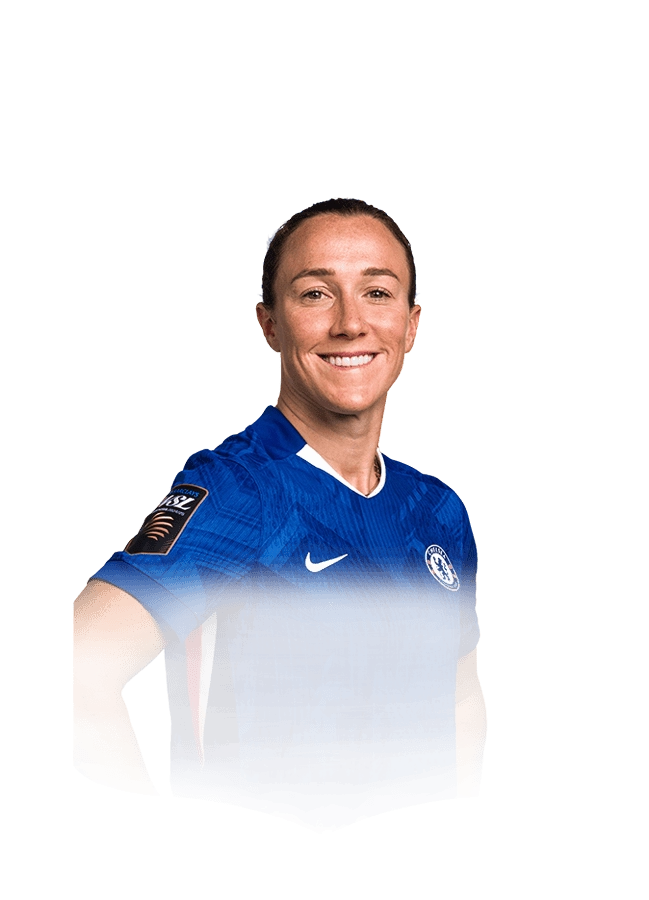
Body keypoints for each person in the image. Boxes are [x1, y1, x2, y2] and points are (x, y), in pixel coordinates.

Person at [72, 197, 487, 831]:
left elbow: (461, 697)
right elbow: (76, 668)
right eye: (315, 294)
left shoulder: (438, 510)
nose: (351, 323)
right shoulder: (236, 494)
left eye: (377, 293)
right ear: (270, 324)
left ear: (411, 324)